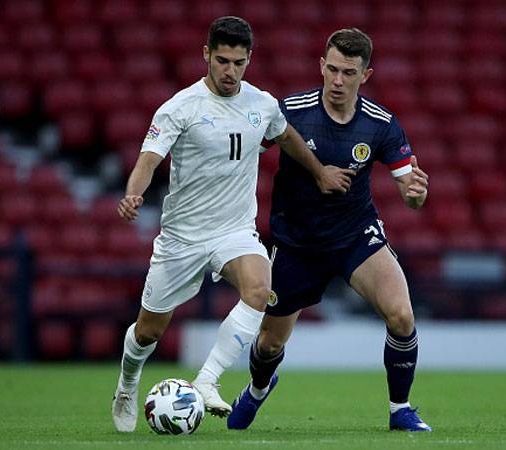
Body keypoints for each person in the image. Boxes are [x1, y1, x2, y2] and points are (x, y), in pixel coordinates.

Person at [111, 16, 353, 433]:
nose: (230, 71)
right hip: (183, 236)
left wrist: (319, 172)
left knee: (260, 290)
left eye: (239, 63)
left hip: (234, 230)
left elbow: (287, 136)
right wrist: (134, 193)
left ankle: (206, 381)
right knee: (148, 331)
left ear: (249, 59)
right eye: (222, 61)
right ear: (206, 54)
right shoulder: (179, 108)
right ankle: (127, 384)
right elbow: (148, 160)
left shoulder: (262, 104)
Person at [226, 28, 431, 432]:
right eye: (332, 69)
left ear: (365, 75)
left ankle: (400, 409)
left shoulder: (381, 124)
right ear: (321, 65)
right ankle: (257, 389)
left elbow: (410, 189)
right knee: (269, 343)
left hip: (355, 235)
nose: (338, 80)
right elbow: (243, 154)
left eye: (348, 73)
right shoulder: (291, 112)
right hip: (297, 242)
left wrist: (416, 194)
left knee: (402, 315)